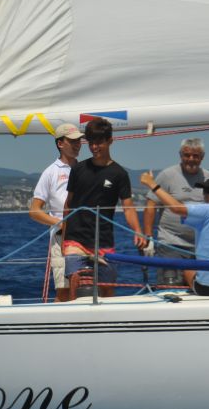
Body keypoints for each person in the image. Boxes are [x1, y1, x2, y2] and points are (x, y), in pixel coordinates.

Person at [63, 117, 147, 297]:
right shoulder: (78, 169)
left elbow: (128, 207)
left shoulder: (119, 174)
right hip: (75, 239)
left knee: (107, 289)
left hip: (103, 239)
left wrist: (137, 230)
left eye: (99, 142)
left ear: (110, 141)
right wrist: (64, 232)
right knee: (77, 285)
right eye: (91, 143)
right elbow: (68, 203)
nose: (94, 147)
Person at [140, 171, 209, 296]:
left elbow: (176, 208)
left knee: (189, 267)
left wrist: (152, 184)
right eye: (204, 191)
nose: (204, 196)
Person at [142, 138, 209, 288]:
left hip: (201, 246)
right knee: (171, 288)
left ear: (202, 157)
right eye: (187, 155)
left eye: (195, 156)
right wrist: (148, 237)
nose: (191, 159)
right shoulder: (167, 175)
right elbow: (151, 204)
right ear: (180, 155)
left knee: (202, 289)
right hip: (171, 243)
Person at [29, 122, 83, 302]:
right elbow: (35, 211)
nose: (78, 144)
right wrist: (61, 223)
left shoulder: (85, 169)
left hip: (86, 235)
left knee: (86, 288)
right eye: (72, 141)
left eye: (79, 141)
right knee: (64, 291)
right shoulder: (51, 172)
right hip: (62, 238)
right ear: (60, 143)